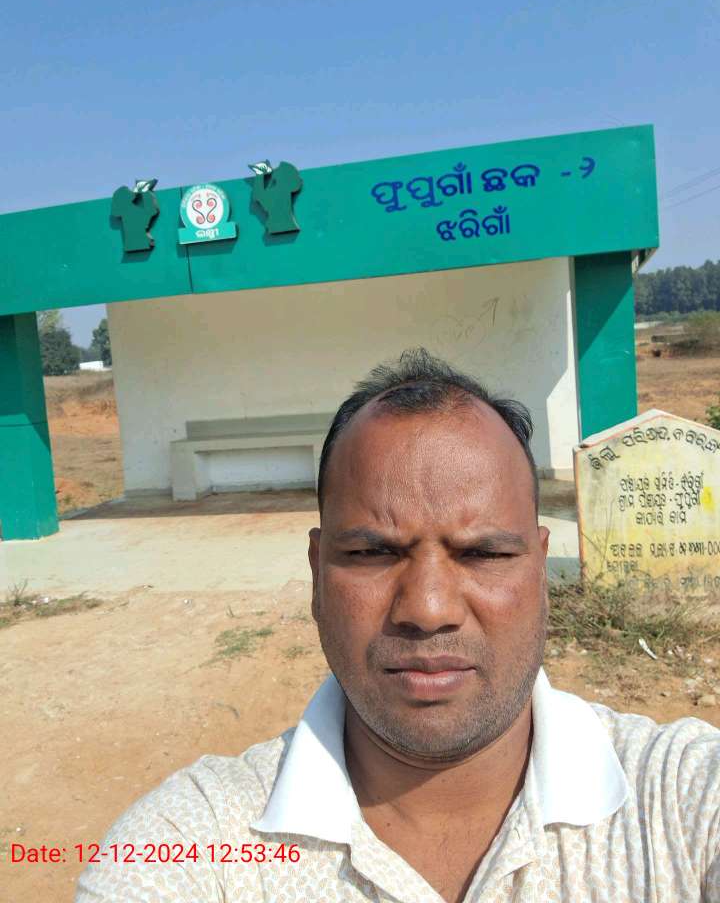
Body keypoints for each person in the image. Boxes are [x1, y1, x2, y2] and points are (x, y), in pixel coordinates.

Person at [76, 349, 720, 902]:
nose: (429, 609)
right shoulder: (195, 842)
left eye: (484, 553)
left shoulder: (681, 800)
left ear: (540, 570)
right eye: (372, 553)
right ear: (317, 575)